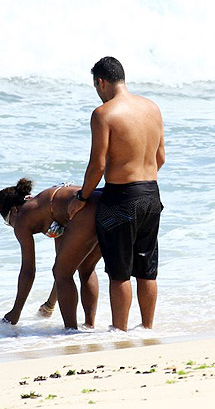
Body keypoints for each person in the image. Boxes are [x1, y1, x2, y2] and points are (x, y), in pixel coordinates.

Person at [68, 56, 165, 331]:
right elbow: (161, 157)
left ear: (101, 82)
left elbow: (97, 165)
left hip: (121, 199)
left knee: (119, 272)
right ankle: (147, 329)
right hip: (151, 194)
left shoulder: (104, 114)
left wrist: (81, 198)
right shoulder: (152, 108)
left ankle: (119, 333)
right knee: (147, 270)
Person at [0, 178, 101, 329]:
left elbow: (28, 271)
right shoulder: (47, 206)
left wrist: (15, 312)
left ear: (14, 211)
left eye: (8, 221)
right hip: (102, 206)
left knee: (63, 273)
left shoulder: (22, 219)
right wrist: (49, 305)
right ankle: (89, 325)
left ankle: (71, 332)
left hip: (85, 213)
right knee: (86, 269)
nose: (12, 226)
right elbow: (62, 262)